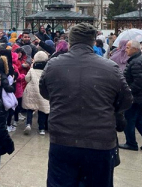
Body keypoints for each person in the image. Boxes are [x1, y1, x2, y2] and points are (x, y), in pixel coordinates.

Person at [39, 23, 132, 187]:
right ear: (92, 42)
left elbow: (45, 92)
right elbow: (126, 100)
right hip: (100, 141)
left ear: (70, 42)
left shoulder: (53, 65)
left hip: (63, 139)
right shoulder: (110, 67)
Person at [120, 40, 142, 151]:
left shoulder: (136, 62)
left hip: (135, 97)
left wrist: (128, 91)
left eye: (128, 48)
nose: (125, 50)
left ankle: (131, 143)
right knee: (137, 119)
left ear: (135, 49)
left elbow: (139, 81)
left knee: (129, 120)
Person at [23, 51, 49, 135]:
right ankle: (41, 129)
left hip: (31, 90)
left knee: (30, 108)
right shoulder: (47, 69)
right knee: (42, 110)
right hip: (42, 91)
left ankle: (28, 124)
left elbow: (27, 79)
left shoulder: (32, 69)